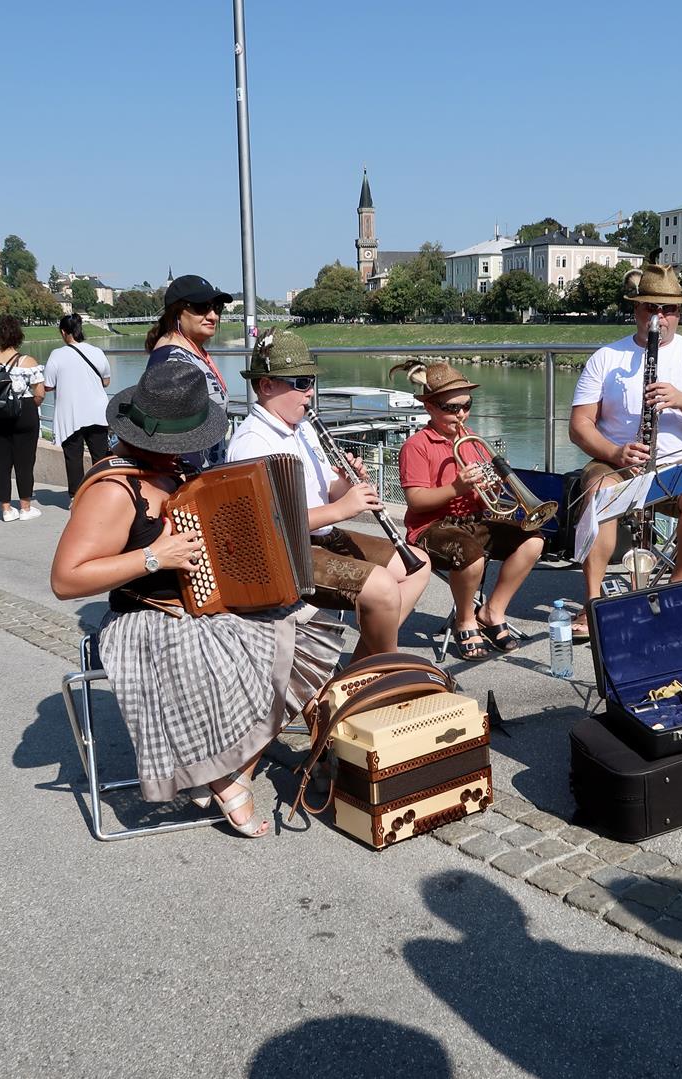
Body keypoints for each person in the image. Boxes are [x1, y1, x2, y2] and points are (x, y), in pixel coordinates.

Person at [50, 362, 343, 837]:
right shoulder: (113, 489)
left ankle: (228, 767)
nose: (187, 452)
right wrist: (154, 556)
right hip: (147, 619)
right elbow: (66, 580)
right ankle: (221, 774)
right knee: (223, 652)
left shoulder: (172, 469)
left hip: (199, 603)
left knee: (303, 623)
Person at [226, 329, 429, 658]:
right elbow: (265, 526)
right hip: (284, 554)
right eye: (301, 382)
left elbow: (329, 489)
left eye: (312, 381)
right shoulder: (252, 443)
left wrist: (349, 485)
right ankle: (384, 670)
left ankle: (361, 668)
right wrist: (342, 509)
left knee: (418, 565)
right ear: (266, 386)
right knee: (382, 588)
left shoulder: (303, 427)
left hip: (321, 536)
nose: (310, 391)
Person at [567, 258, 682, 638]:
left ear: (679, 314)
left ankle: (675, 585)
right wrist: (614, 452)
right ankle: (593, 602)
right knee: (599, 492)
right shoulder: (607, 358)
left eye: (669, 309)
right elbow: (579, 426)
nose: (660, 316)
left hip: (681, 464)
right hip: (618, 462)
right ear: (636, 309)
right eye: (651, 307)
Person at [395, 360, 544, 661]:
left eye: (467, 405)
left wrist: (493, 487)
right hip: (431, 527)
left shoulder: (472, 440)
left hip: (472, 520)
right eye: (451, 408)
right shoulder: (416, 445)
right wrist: (456, 488)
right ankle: (465, 620)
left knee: (533, 540)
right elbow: (416, 501)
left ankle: (492, 611)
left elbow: (486, 495)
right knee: (471, 554)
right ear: (429, 407)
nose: (461, 414)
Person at [144, 274, 233, 469]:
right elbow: (169, 435)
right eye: (202, 307)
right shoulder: (173, 361)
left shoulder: (193, 351)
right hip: (188, 478)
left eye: (217, 307)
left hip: (207, 474)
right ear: (177, 312)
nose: (213, 316)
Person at [0, 315, 46, 521]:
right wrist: (29, 405)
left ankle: (6, 509)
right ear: (19, 336)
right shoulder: (27, 361)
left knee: (1, 462)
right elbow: (39, 393)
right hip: (23, 412)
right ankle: (25, 507)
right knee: (25, 461)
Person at [44, 313, 111, 497]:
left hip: (71, 414)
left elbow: (48, 385)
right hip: (97, 411)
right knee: (100, 457)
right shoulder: (97, 352)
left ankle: (77, 496)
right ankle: (103, 494)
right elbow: (106, 381)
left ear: (63, 332)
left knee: (73, 457)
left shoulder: (56, 355)